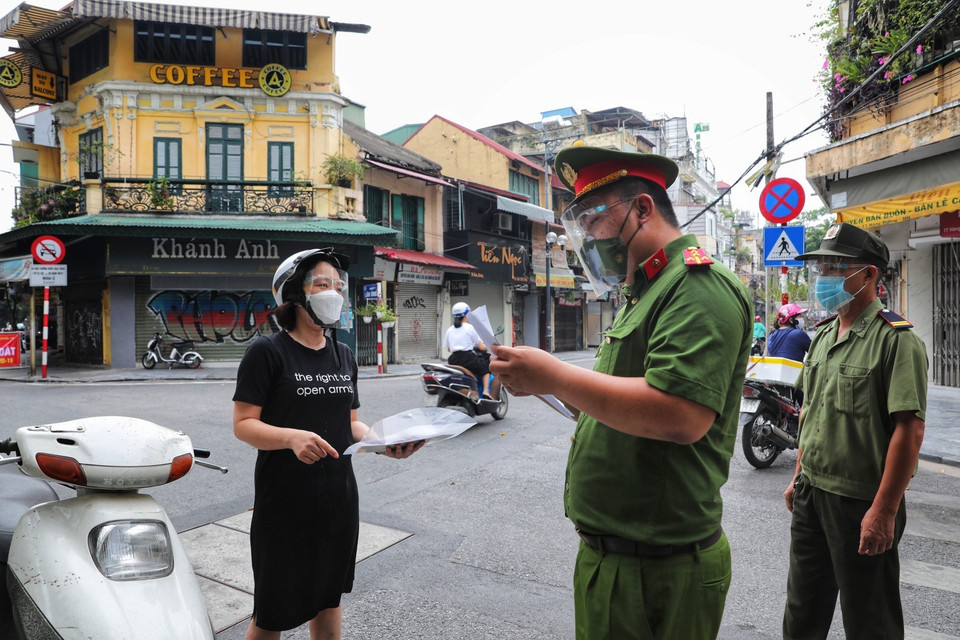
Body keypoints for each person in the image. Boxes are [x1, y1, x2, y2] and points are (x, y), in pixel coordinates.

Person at [490, 146, 752, 639]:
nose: (587, 239)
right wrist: (540, 384)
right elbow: (616, 399)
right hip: (614, 559)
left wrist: (557, 376)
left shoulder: (696, 286)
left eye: (593, 221)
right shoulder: (644, 291)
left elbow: (681, 415)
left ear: (642, 209)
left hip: (660, 570)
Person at [232, 248, 423, 640]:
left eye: (338, 286)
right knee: (273, 613)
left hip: (338, 501)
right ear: (293, 295)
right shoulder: (267, 352)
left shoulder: (344, 355)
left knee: (328, 598)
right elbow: (243, 424)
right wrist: (290, 438)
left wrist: (383, 442)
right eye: (322, 284)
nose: (334, 292)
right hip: (284, 503)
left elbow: (349, 423)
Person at [783, 223, 928, 639]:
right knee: (802, 613)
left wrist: (883, 511)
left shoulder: (897, 341)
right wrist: (798, 476)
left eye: (836, 266)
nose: (825, 276)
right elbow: (812, 412)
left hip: (861, 500)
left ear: (869, 275)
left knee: (870, 620)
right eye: (822, 266)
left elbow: (909, 430)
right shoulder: (823, 336)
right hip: (813, 493)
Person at [443, 301, 492, 398]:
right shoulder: (470, 328)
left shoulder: (449, 330)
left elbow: (449, 349)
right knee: (486, 367)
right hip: (467, 358)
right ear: (467, 315)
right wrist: (489, 345)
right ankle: (486, 391)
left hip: (453, 359)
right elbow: (481, 347)